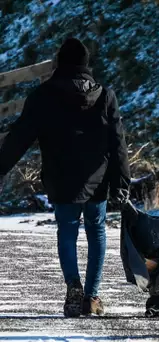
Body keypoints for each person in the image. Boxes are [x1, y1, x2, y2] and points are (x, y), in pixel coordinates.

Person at [0, 38, 131, 317]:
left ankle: (73, 289)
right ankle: (92, 297)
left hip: (61, 177)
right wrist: (122, 182)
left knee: (67, 231)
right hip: (97, 178)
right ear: (85, 65)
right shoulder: (105, 96)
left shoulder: (42, 95)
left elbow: (19, 137)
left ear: (60, 63)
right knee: (96, 232)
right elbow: (117, 143)